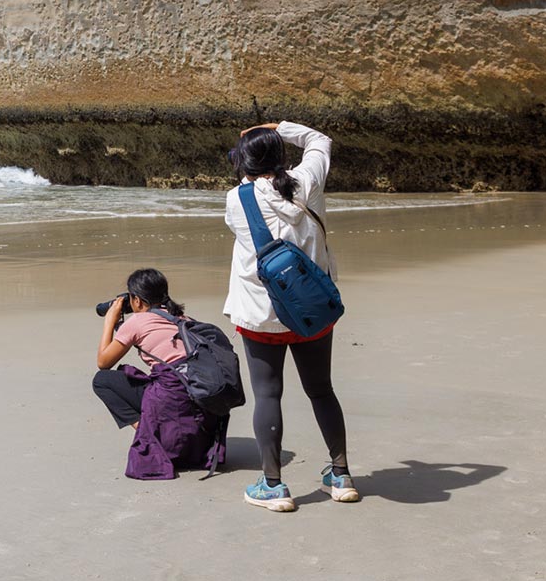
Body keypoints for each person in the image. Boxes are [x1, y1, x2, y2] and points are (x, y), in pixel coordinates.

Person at [223, 121, 359, 511]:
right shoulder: (307, 183)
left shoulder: (237, 199)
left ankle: (273, 486)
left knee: (268, 394)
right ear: (282, 155)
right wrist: (277, 126)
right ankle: (341, 474)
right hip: (312, 311)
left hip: (262, 314)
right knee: (321, 390)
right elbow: (320, 140)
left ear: (244, 163)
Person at [91, 268, 227, 479]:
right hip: (203, 413)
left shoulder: (136, 322)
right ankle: (163, 430)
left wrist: (110, 321)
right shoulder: (182, 318)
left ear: (136, 300)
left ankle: (145, 430)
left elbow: (103, 362)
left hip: (172, 400)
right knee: (162, 381)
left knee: (103, 381)